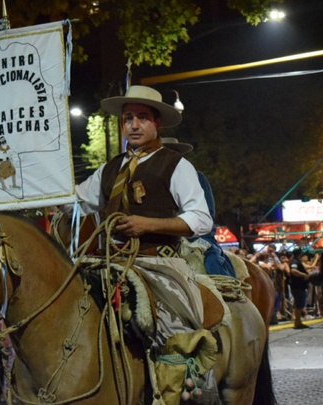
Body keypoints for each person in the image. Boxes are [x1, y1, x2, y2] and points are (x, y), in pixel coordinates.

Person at [68, 85, 215, 400]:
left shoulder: (176, 165)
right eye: (128, 118)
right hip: (109, 261)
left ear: (157, 123)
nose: (134, 125)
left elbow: (202, 219)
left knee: (176, 331)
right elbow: (75, 202)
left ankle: (185, 391)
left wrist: (149, 224)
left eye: (142, 118)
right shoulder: (110, 168)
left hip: (159, 263)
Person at [161, 137, 235, 278]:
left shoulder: (196, 177)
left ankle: (228, 293)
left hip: (194, 236)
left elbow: (207, 213)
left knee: (212, 262)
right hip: (158, 237)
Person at [289, 249, 310, 329]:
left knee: (299, 304)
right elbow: (293, 270)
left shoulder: (297, 261)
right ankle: (297, 322)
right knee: (299, 305)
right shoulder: (295, 262)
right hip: (297, 287)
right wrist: (304, 275)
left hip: (299, 287)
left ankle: (298, 321)